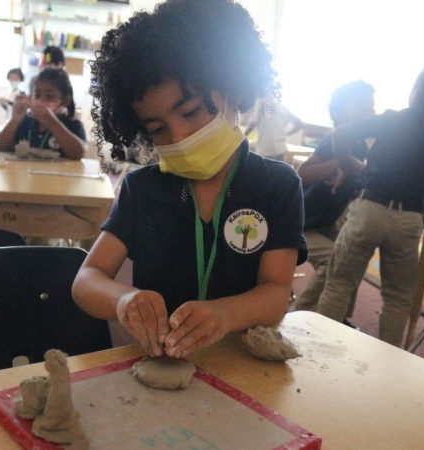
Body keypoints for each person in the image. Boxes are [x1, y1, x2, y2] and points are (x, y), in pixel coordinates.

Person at [72, 0, 308, 359]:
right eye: (158, 129)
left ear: (232, 89)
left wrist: (225, 314)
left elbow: (276, 292)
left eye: (191, 111)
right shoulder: (142, 189)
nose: (179, 136)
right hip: (160, 364)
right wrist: (124, 300)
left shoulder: (277, 186)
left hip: (242, 363)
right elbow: (86, 280)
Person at [316, 62, 424, 347]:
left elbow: (340, 134)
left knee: (339, 283)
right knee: (398, 297)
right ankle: (389, 363)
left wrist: (348, 166)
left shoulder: (393, 119)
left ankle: (318, 347)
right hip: (409, 219)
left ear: (416, 91)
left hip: (370, 207)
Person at [294, 80, 375, 315]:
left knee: (354, 257)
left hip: (327, 223)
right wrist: (338, 164)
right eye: (360, 104)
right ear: (340, 112)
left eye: (371, 105)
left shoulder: (361, 145)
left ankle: (340, 317)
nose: (368, 109)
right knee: (335, 260)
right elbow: (303, 174)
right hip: (304, 224)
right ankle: (299, 313)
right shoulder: (334, 140)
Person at [0, 67, 86, 160]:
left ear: (65, 101)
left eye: (49, 96)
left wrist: (52, 123)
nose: (41, 101)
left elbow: (77, 154)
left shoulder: (72, 125)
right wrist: (14, 120)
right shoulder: (25, 123)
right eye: (37, 95)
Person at [244, 96, 304, 160]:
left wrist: (242, 137)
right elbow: (300, 124)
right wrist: (286, 134)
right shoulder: (283, 108)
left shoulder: (260, 108)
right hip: (281, 148)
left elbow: (251, 126)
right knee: (278, 169)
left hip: (265, 149)